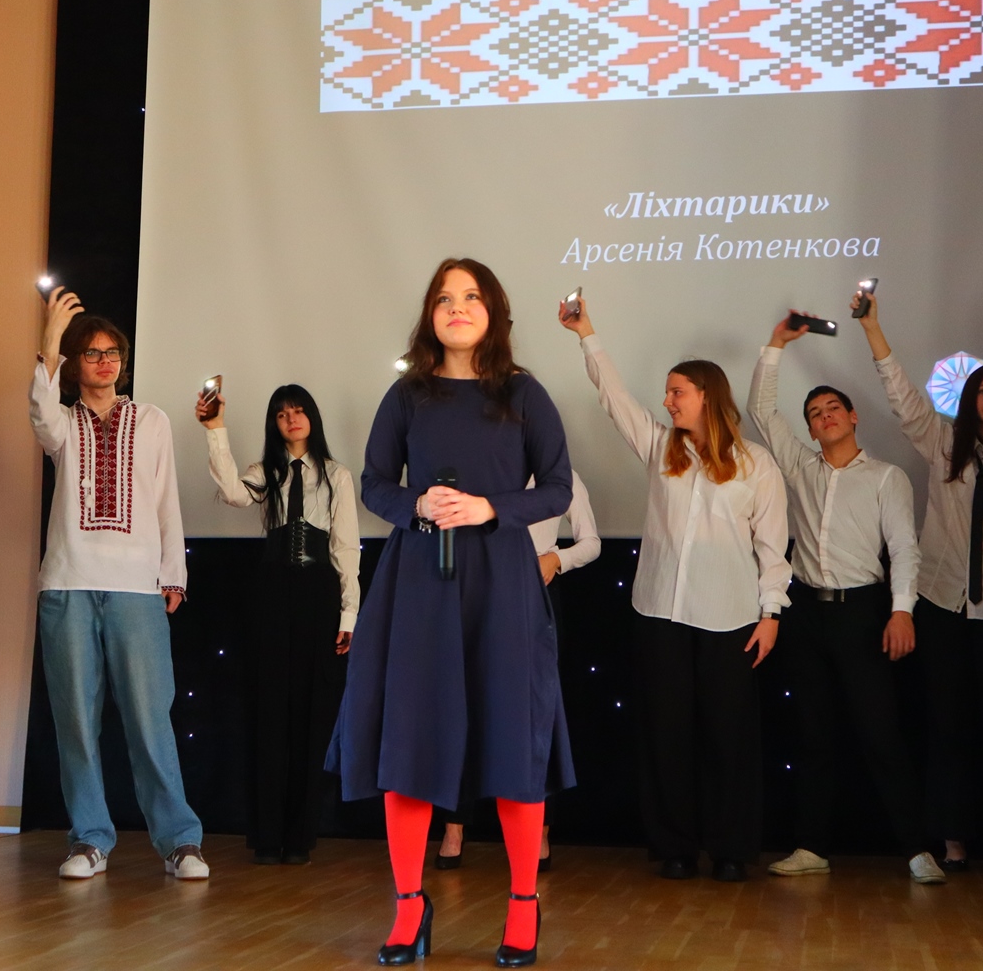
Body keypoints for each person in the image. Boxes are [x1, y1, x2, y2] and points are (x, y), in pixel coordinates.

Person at [325, 258, 574, 967]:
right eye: (443, 298)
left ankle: (522, 904)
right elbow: (374, 482)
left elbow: (557, 487)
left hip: (502, 583)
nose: (456, 307)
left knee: (513, 738)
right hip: (418, 585)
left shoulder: (523, 393)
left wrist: (493, 507)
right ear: (430, 315)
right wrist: (416, 505)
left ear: (492, 311)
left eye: (470, 297)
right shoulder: (408, 394)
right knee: (409, 740)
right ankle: (409, 906)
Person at [559, 295, 791, 883]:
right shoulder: (662, 447)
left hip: (730, 618)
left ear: (707, 395)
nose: (667, 400)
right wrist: (587, 333)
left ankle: (732, 848)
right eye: (666, 393)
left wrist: (771, 614)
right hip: (659, 612)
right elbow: (614, 398)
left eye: (676, 391)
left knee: (728, 737)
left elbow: (773, 547)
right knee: (666, 735)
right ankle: (675, 847)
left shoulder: (757, 464)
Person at [855, 292, 983, 875]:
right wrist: (873, 329)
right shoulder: (944, 443)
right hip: (942, 605)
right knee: (948, 729)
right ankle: (954, 839)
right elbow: (902, 396)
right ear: (968, 399)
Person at [748, 313, 944, 885]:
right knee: (811, 735)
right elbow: (762, 411)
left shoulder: (886, 477)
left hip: (864, 612)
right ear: (811, 430)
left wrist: (902, 610)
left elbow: (904, 548)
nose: (824, 416)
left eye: (833, 407)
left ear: (853, 417)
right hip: (807, 612)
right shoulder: (798, 466)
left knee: (881, 734)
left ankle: (916, 849)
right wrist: (776, 344)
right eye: (814, 413)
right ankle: (811, 846)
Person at [29, 286, 208, 880]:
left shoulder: (150, 420)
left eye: (113, 353)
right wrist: (50, 340)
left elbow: (166, 500)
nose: (105, 362)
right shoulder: (62, 423)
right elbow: (40, 413)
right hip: (68, 584)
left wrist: (173, 572)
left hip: (137, 588)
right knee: (76, 721)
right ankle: (89, 840)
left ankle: (180, 841)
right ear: (75, 364)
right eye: (92, 353)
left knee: (150, 718)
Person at [196, 383, 359, 865]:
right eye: (282, 413)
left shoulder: (336, 475)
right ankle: (266, 837)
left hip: (319, 595)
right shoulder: (264, 471)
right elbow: (232, 494)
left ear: (312, 416)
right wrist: (215, 428)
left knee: (312, 713)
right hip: (271, 594)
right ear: (275, 422)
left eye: (299, 410)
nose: (292, 418)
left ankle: (299, 838)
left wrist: (349, 614)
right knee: (269, 713)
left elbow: (345, 548)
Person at [435, 471, 601, 872]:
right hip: (479, 586)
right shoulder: (484, 464)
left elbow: (591, 542)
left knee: (535, 715)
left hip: (535, 591)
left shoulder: (561, 476)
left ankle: (538, 831)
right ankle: (454, 828)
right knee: (466, 707)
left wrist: (556, 559)